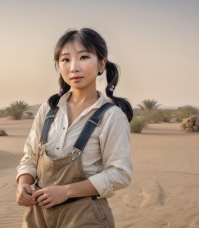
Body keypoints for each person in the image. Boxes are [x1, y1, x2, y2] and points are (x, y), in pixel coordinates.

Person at [16, 28, 133, 228]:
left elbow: (120, 174)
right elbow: (30, 156)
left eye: (84, 57)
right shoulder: (48, 110)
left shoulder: (111, 116)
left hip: (85, 216)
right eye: (65, 59)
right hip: (37, 216)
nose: (73, 67)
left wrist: (66, 191)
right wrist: (23, 183)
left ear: (101, 64)